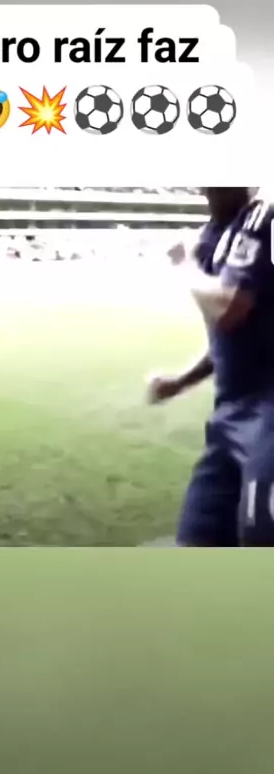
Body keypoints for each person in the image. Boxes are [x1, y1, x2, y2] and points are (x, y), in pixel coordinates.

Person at [146, 187, 274, 546]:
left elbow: (229, 308)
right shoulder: (214, 235)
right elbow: (232, 337)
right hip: (229, 418)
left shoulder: (263, 217)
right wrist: (181, 381)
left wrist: (184, 264)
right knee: (198, 539)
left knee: (261, 540)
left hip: (268, 421)